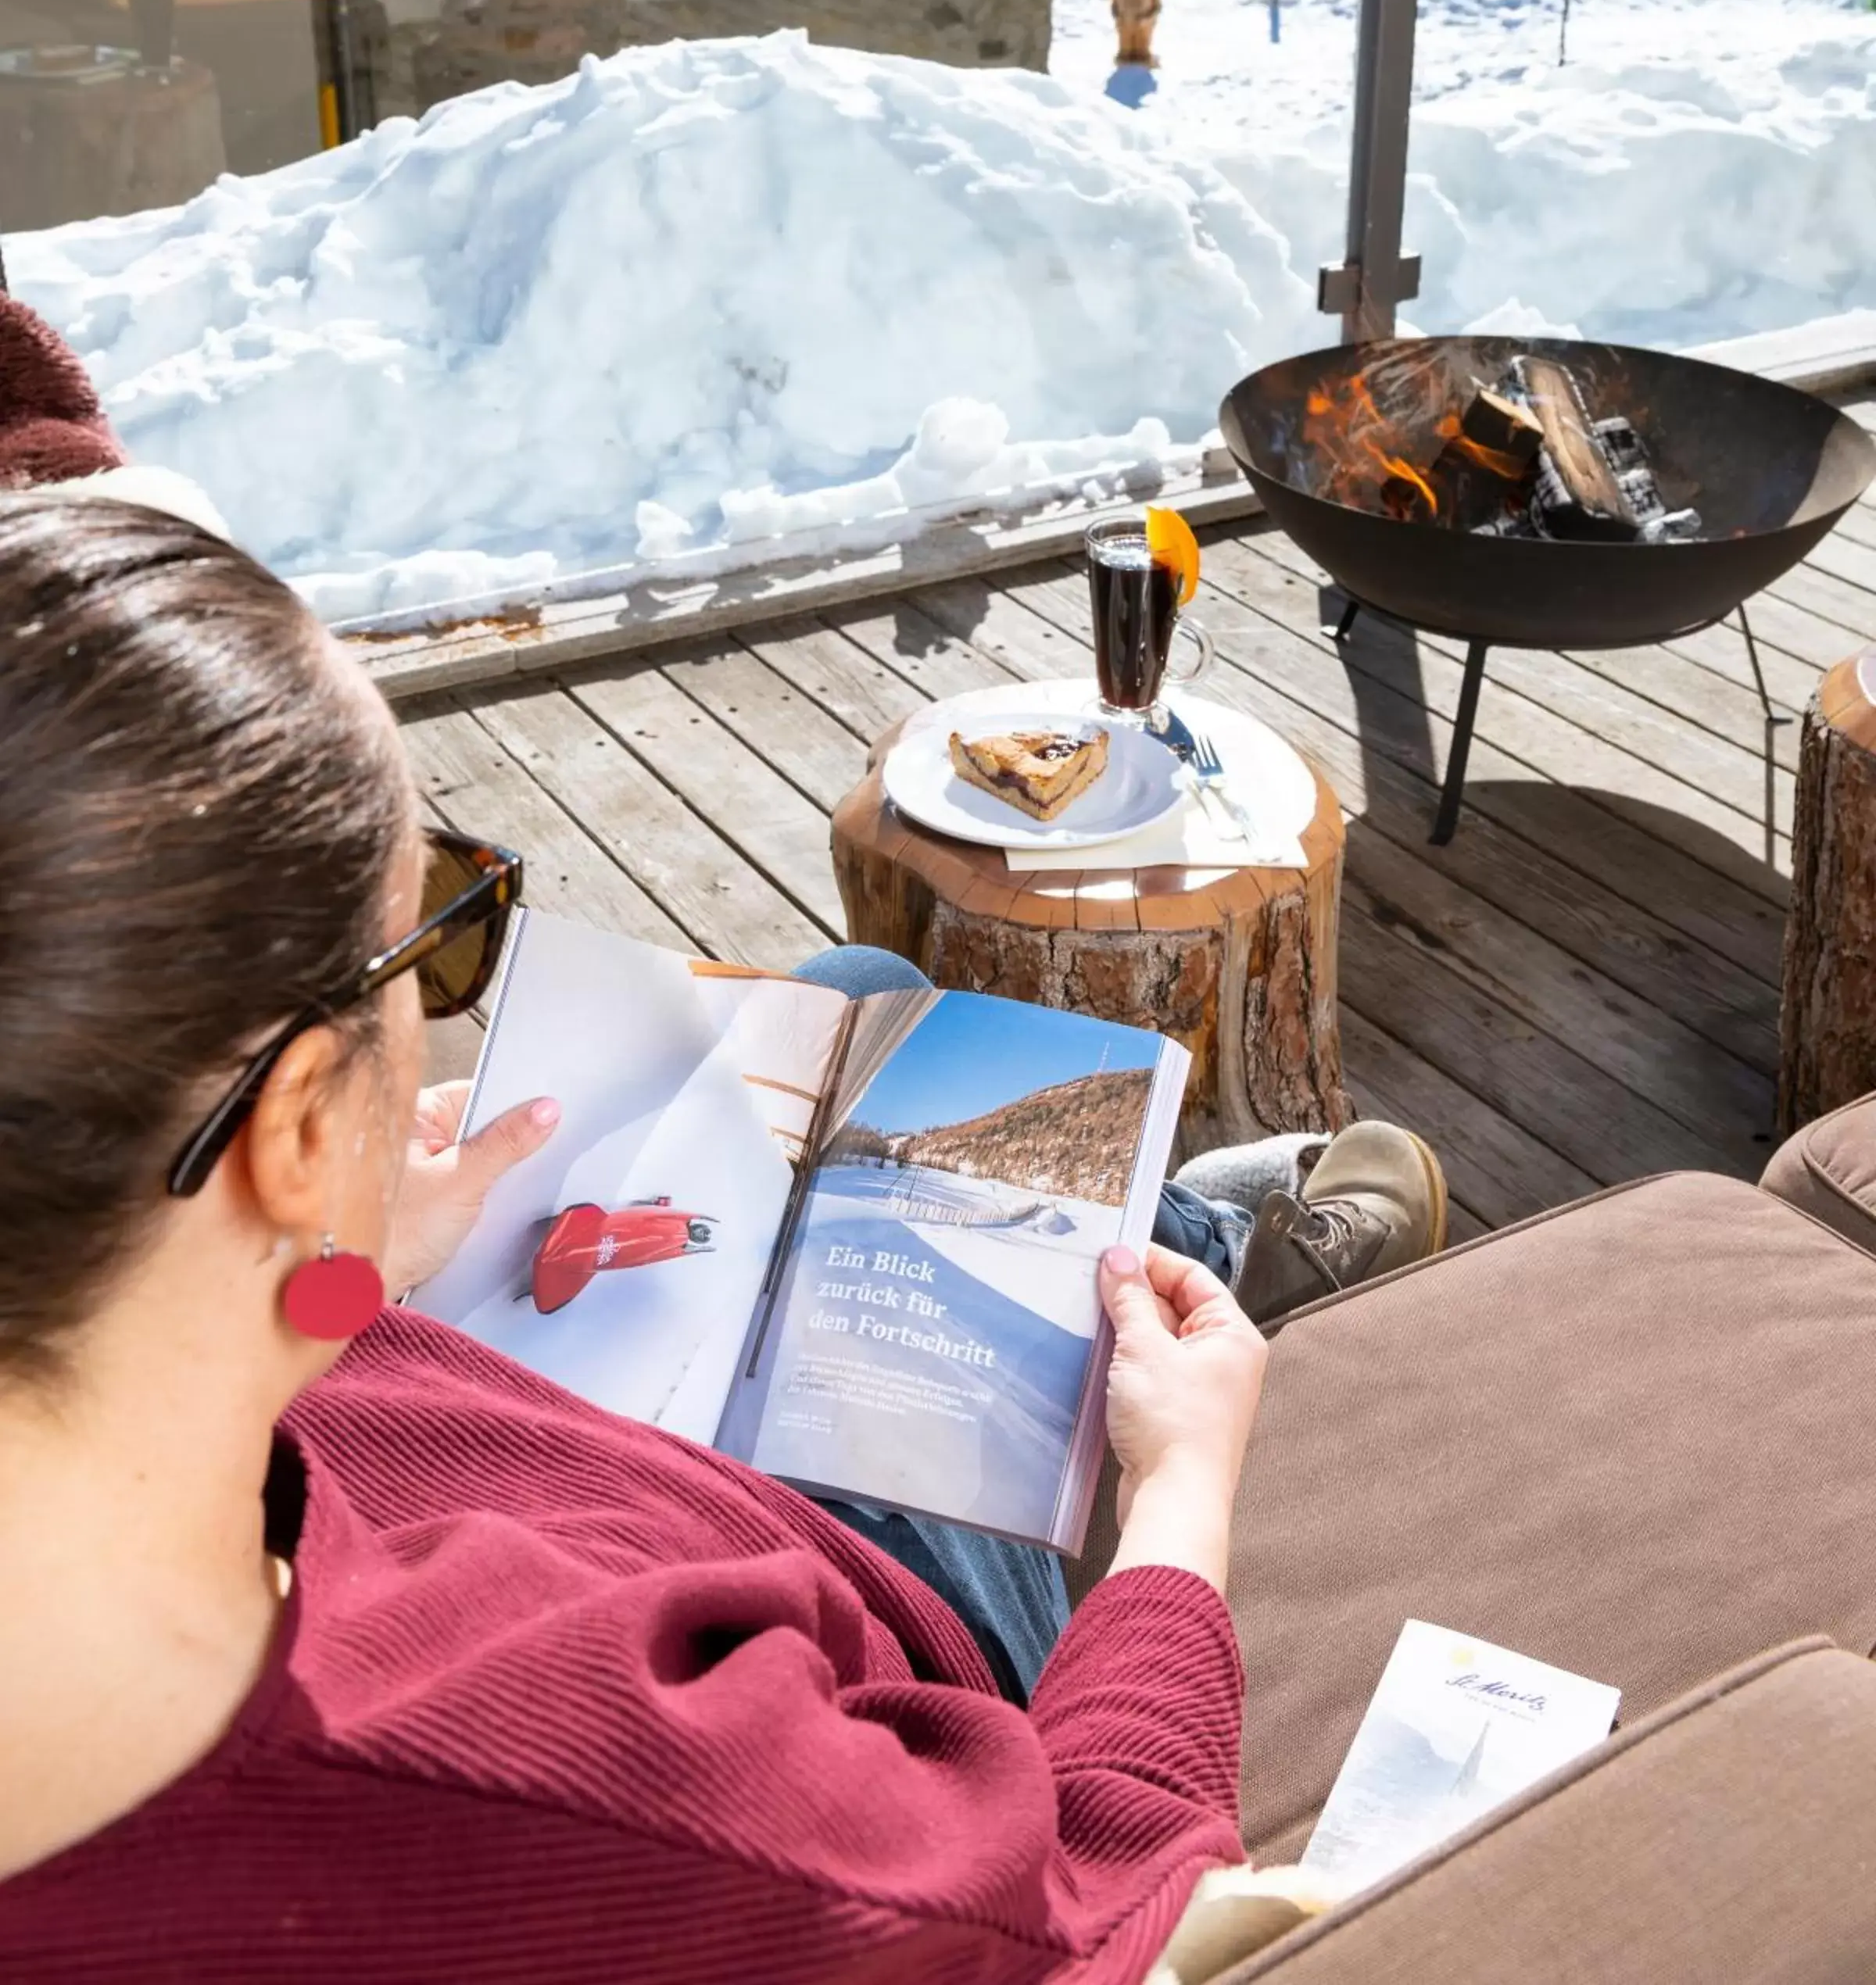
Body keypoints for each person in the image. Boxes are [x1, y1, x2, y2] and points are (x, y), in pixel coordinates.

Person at [0, 494, 1429, 1983]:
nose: (437, 983)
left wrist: (354, 1267)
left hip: (538, 1436)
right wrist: (1183, 1502)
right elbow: (1104, 1892)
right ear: (289, 1124)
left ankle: (1172, 1220)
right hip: (842, 1593)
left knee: (864, 982)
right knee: (914, 1144)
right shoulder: (637, 1809)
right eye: (431, 932)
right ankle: (1192, 1242)